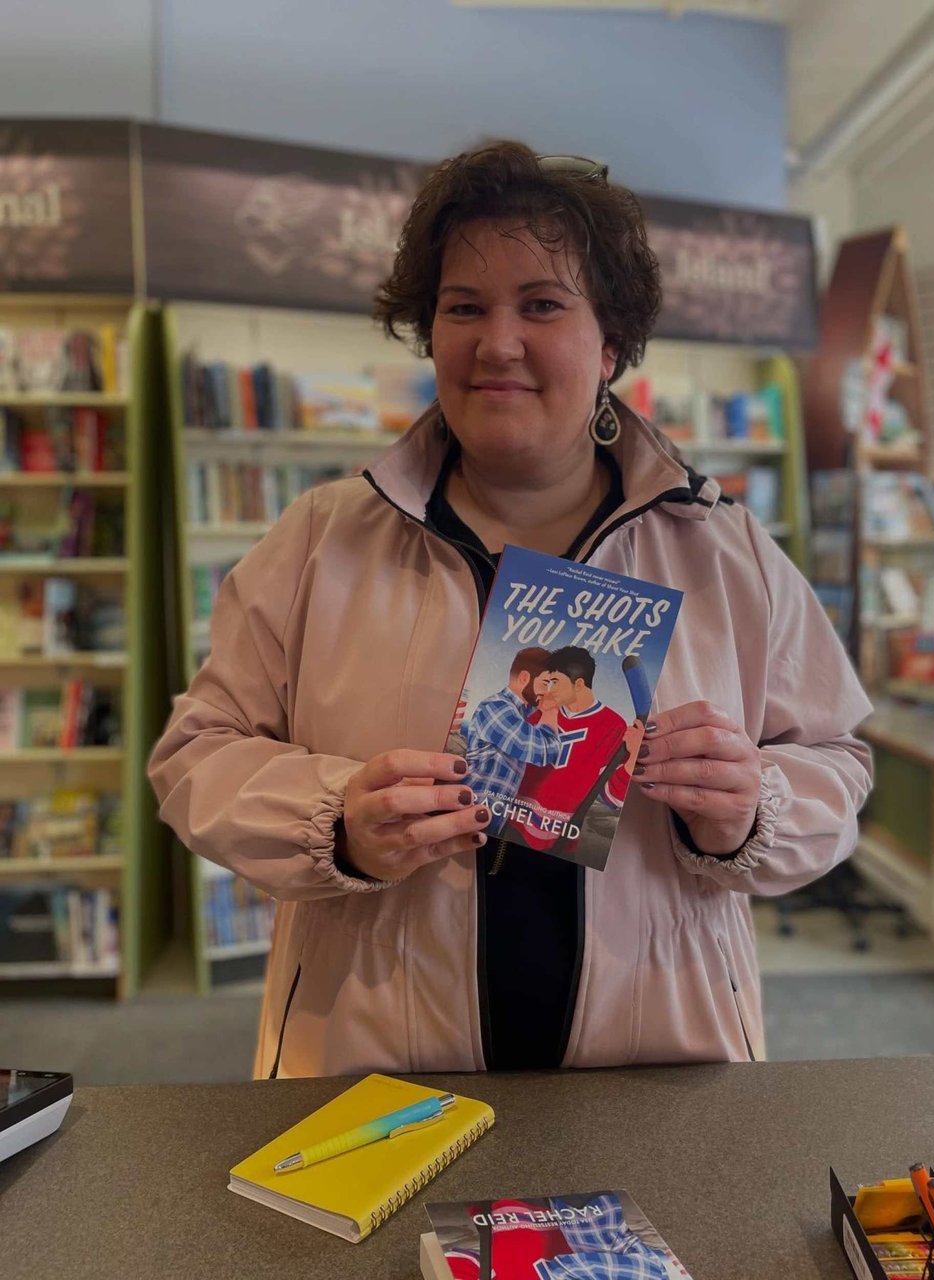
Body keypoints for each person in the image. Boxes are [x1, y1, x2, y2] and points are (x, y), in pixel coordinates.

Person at [148, 141, 872, 1079]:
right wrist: (335, 821)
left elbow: (836, 760)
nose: (497, 344)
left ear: (609, 345)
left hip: (661, 1071)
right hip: (376, 1074)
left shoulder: (723, 549)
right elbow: (196, 758)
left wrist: (750, 805)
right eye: (463, 308)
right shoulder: (322, 540)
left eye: (542, 304)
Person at [506, 646, 644, 853]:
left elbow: (612, 798)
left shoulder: (613, 726)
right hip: (508, 822)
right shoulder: (541, 710)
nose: (549, 688)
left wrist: (633, 756)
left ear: (578, 684)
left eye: (555, 682)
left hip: (556, 842)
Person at [461, 645, 562, 836]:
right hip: (466, 815)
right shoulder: (496, 707)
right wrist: (550, 710)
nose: (546, 691)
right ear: (524, 678)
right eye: (545, 683)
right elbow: (543, 750)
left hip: (484, 822)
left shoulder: (520, 713)